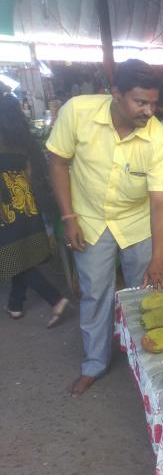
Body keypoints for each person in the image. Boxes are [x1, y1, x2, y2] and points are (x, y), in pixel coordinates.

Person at [47, 59, 163, 397]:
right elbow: (58, 163)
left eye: (153, 102)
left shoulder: (158, 138)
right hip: (88, 219)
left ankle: (143, 361)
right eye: (140, 102)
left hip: (136, 222)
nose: (149, 111)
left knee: (142, 294)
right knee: (95, 293)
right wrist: (68, 217)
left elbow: (161, 201)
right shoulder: (77, 112)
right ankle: (94, 364)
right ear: (115, 94)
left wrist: (158, 257)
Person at [0, 95, 70, 326]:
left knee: (13, 258)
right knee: (20, 254)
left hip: (5, 207)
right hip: (26, 205)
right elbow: (30, 174)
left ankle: (56, 299)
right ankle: (15, 304)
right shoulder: (23, 141)